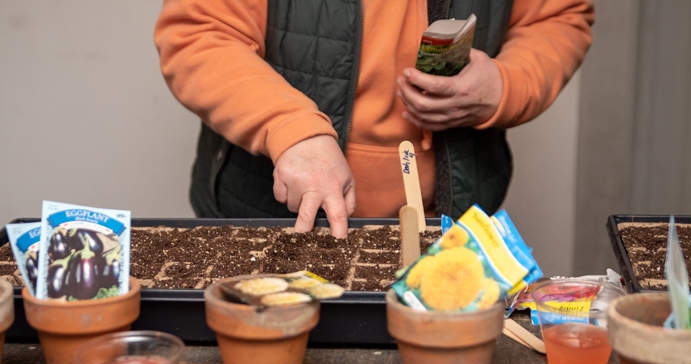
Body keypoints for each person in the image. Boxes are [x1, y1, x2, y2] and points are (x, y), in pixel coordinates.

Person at [154, 0, 594, 239]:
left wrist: (506, 85)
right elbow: (199, 35)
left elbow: (559, 18)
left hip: (454, 226)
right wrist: (292, 131)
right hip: (266, 221)